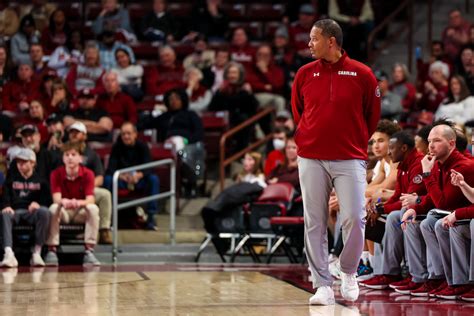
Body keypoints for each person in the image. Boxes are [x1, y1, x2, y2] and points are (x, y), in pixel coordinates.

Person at [291, 19, 380, 305]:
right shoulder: (304, 74)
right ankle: (322, 285)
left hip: (350, 155)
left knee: (354, 216)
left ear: (331, 41)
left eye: (313, 39)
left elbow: (372, 115)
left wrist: (352, 139)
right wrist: (309, 136)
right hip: (311, 157)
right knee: (314, 220)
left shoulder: (362, 74)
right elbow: (299, 112)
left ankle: (348, 271)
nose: (309, 44)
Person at [398, 122, 474, 296]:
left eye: (437, 141)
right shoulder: (440, 164)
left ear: (452, 144)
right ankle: (435, 277)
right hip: (454, 214)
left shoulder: (463, 166)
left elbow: (442, 202)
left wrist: (426, 174)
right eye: (430, 141)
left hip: (461, 217)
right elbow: (434, 198)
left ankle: (459, 281)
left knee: (440, 224)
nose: (431, 145)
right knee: (415, 219)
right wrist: (416, 208)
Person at [360, 131, 426, 289]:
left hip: (421, 210)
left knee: (394, 216)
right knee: (377, 215)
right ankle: (385, 271)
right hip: (409, 210)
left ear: (403, 148)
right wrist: (379, 207)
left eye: (392, 148)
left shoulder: (417, 164)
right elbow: (397, 195)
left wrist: (382, 209)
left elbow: (407, 200)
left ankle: (415, 275)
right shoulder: (404, 165)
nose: (389, 152)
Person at [45, 141, 101, 266]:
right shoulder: (56, 173)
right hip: (64, 211)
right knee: (53, 208)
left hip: (79, 211)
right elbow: (56, 199)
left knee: (93, 208)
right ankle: (52, 249)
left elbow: (90, 199)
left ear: (80, 158)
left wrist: (77, 202)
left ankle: (89, 250)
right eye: (67, 155)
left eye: (73, 154)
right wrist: (63, 201)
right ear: (63, 158)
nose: (70, 157)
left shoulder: (88, 174)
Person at [0, 148, 51, 268]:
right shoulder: (11, 179)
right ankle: (8, 253)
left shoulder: (41, 181)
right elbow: (4, 198)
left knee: (44, 211)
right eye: (18, 162)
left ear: (32, 163)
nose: (20, 165)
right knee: (4, 213)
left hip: (32, 212)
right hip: (15, 211)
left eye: (24, 162)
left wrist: (39, 204)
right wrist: (7, 206)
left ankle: (37, 252)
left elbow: (48, 200)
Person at [104, 122, 160, 230]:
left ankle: (151, 218)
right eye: (123, 134)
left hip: (139, 180)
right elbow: (110, 168)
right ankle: (108, 218)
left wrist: (139, 175)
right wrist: (122, 176)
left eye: (128, 134)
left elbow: (149, 167)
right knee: (108, 180)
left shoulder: (143, 146)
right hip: (122, 180)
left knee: (153, 179)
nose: (126, 136)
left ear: (135, 134)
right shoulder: (117, 147)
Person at [67, 121, 112, 244]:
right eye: (72, 132)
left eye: (77, 132)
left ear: (85, 136)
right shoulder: (63, 151)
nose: (74, 135)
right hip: (66, 188)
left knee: (105, 194)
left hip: (86, 189)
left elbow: (100, 178)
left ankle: (104, 230)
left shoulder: (92, 155)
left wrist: (86, 188)